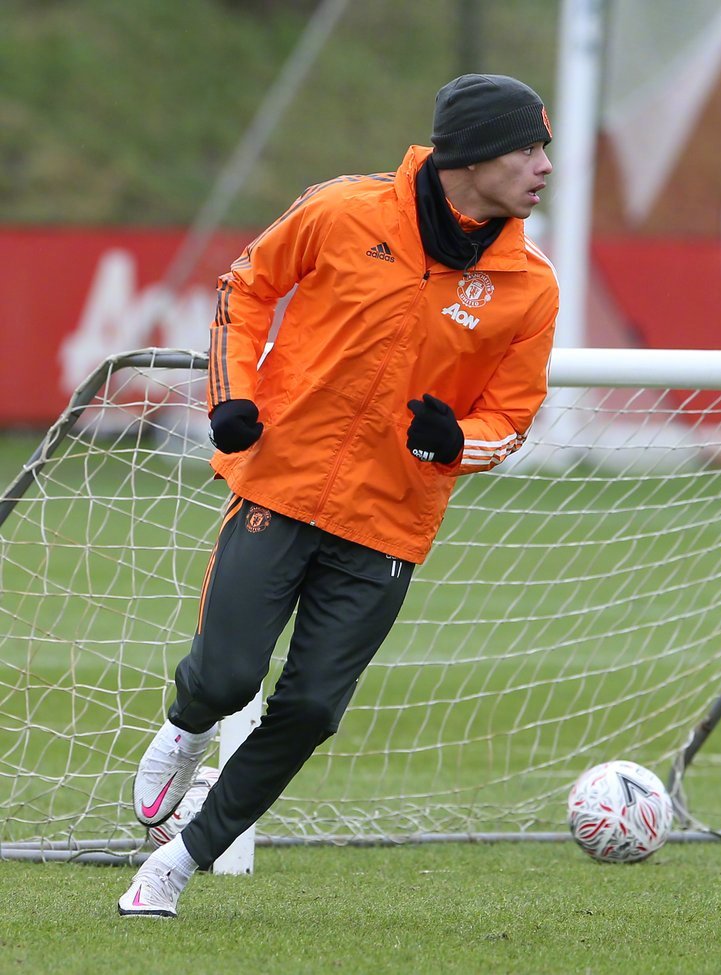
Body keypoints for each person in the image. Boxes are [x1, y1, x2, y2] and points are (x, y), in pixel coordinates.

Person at [119, 74, 558, 918]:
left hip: (388, 522)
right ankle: (186, 726)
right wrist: (231, 397)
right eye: (529, 148)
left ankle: (179, 860)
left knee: (313, 706)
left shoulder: (530, 285)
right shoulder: (343, 209)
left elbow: (511, 419)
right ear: (473, 155)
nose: (544, 166)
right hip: (281, 482)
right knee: (226, 676)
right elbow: (245, 287)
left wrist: (457, 442)